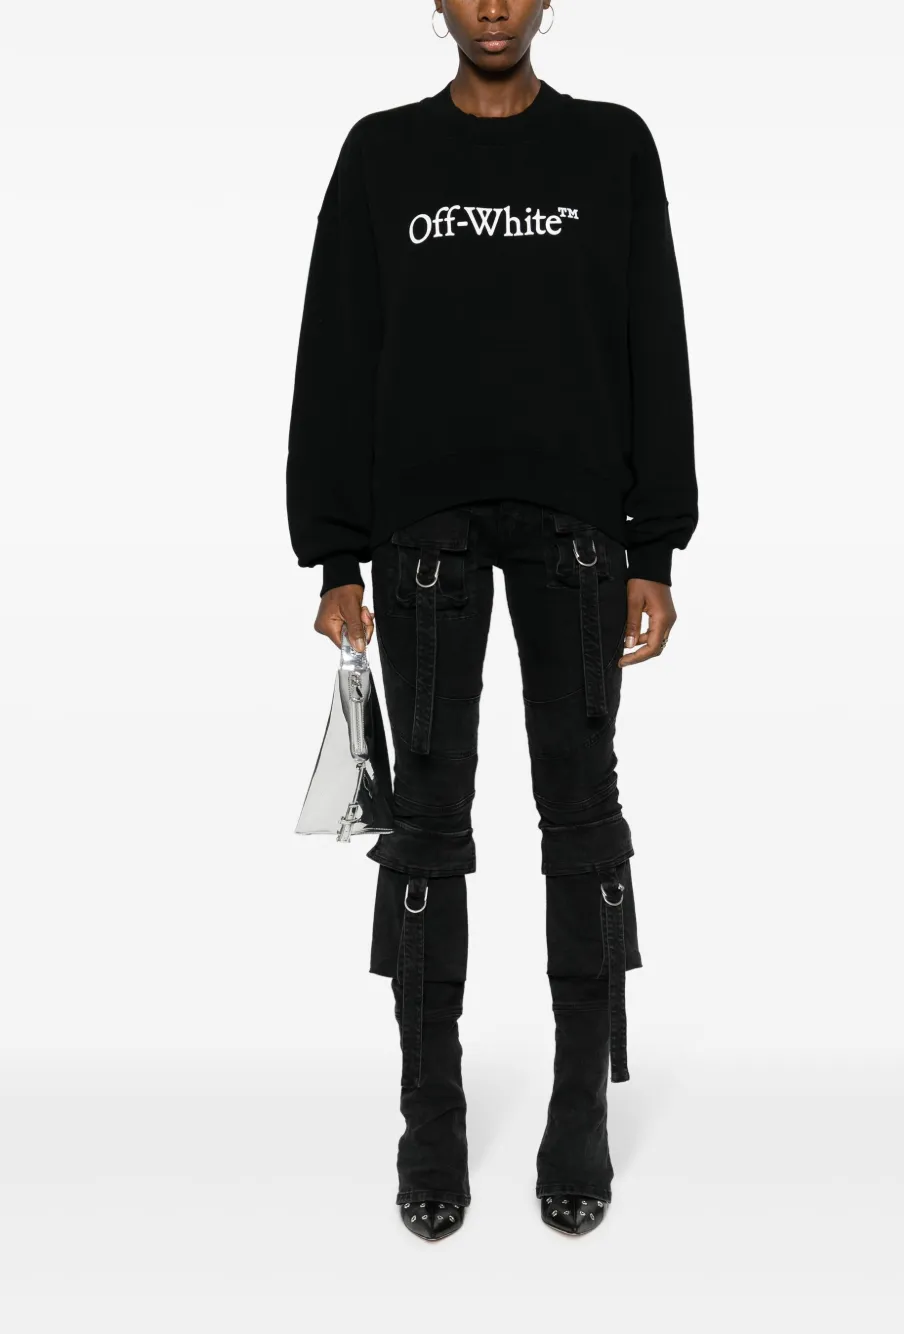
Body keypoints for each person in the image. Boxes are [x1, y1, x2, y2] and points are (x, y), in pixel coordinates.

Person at [285, 0, 697, 1242]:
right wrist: (333, 551)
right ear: (437, 4)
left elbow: (651, 331)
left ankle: (579, 1101)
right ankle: (431, 1110)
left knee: (582, 811)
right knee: (424, 821)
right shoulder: (382, 154)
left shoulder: (611, 147)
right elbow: (337, 344)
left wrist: (654, 542)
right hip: (421, 529)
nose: (494, 6)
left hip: (578, 525)